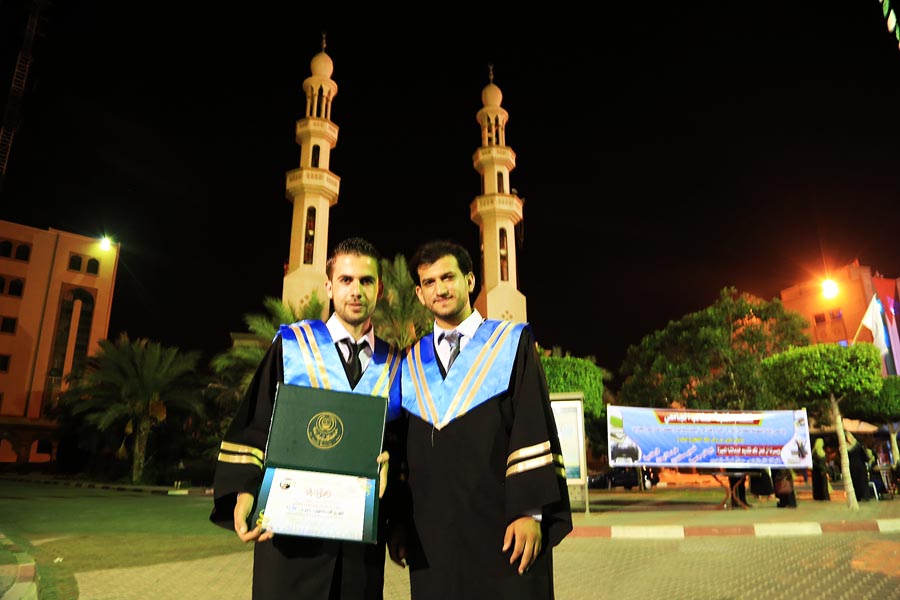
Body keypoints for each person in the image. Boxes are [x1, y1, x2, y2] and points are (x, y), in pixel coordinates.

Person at [209, 237, 406, 600]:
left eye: (366, 281)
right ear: (329, 286)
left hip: (357, 548)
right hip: (290, 539)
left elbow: (401, 444)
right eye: (346, 280)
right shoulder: (293, 346)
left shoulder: (396, 364)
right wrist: (244, 491)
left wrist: (392, 474)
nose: (356, 291)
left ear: (379, 289)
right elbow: (257, 422)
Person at [398, 239, 573, 600]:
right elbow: (400, 446)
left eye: (448, 277)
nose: (440, 289)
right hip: (433, 536)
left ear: (470, 280)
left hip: (502, 526)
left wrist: (529, 512)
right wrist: (398, 521)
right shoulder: (410, 362)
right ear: (419, 294)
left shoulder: (511, 343)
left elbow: (531, 423)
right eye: (429, 282)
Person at [846, 431, 873, 502]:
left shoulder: (845, 447)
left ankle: (857, 497)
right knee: (863, 482)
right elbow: (864, 455)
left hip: (852, 467)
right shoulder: (858, 444)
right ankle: (865, 496)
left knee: (855, 482)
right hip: (861, 466)